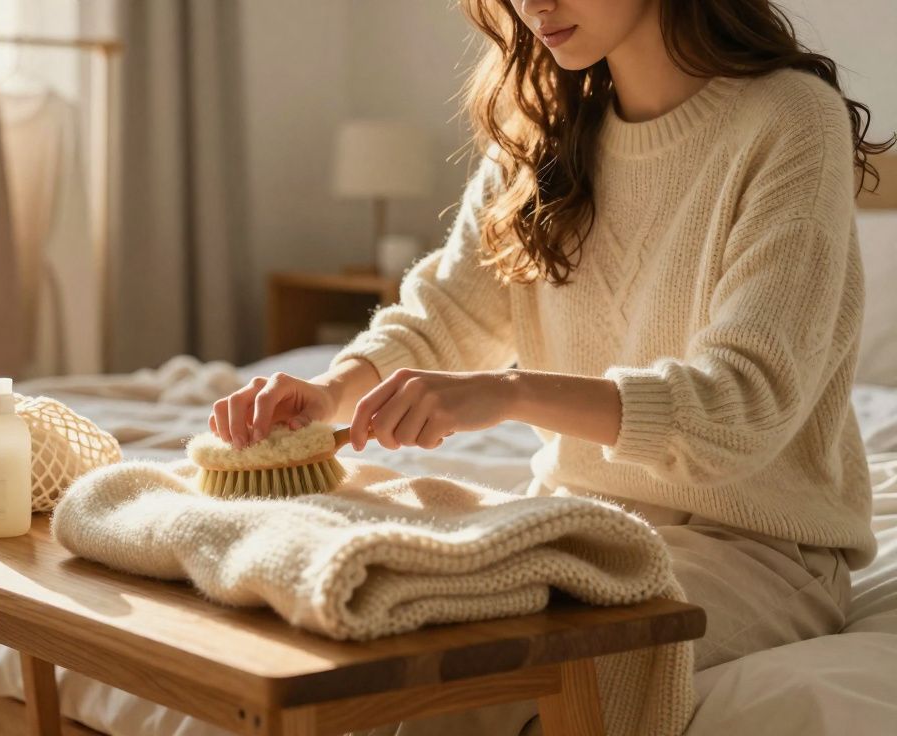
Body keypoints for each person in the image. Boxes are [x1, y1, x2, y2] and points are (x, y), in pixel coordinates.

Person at [209, 0, 893, 733]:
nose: (533, 5)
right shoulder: (541, 126)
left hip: (758, 551)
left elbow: (743, 406)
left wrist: (509, 394)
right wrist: (329, 391)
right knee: (366, 642)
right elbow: (445, 314)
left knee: (469, 684)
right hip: (576, 526)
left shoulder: (789, 119)